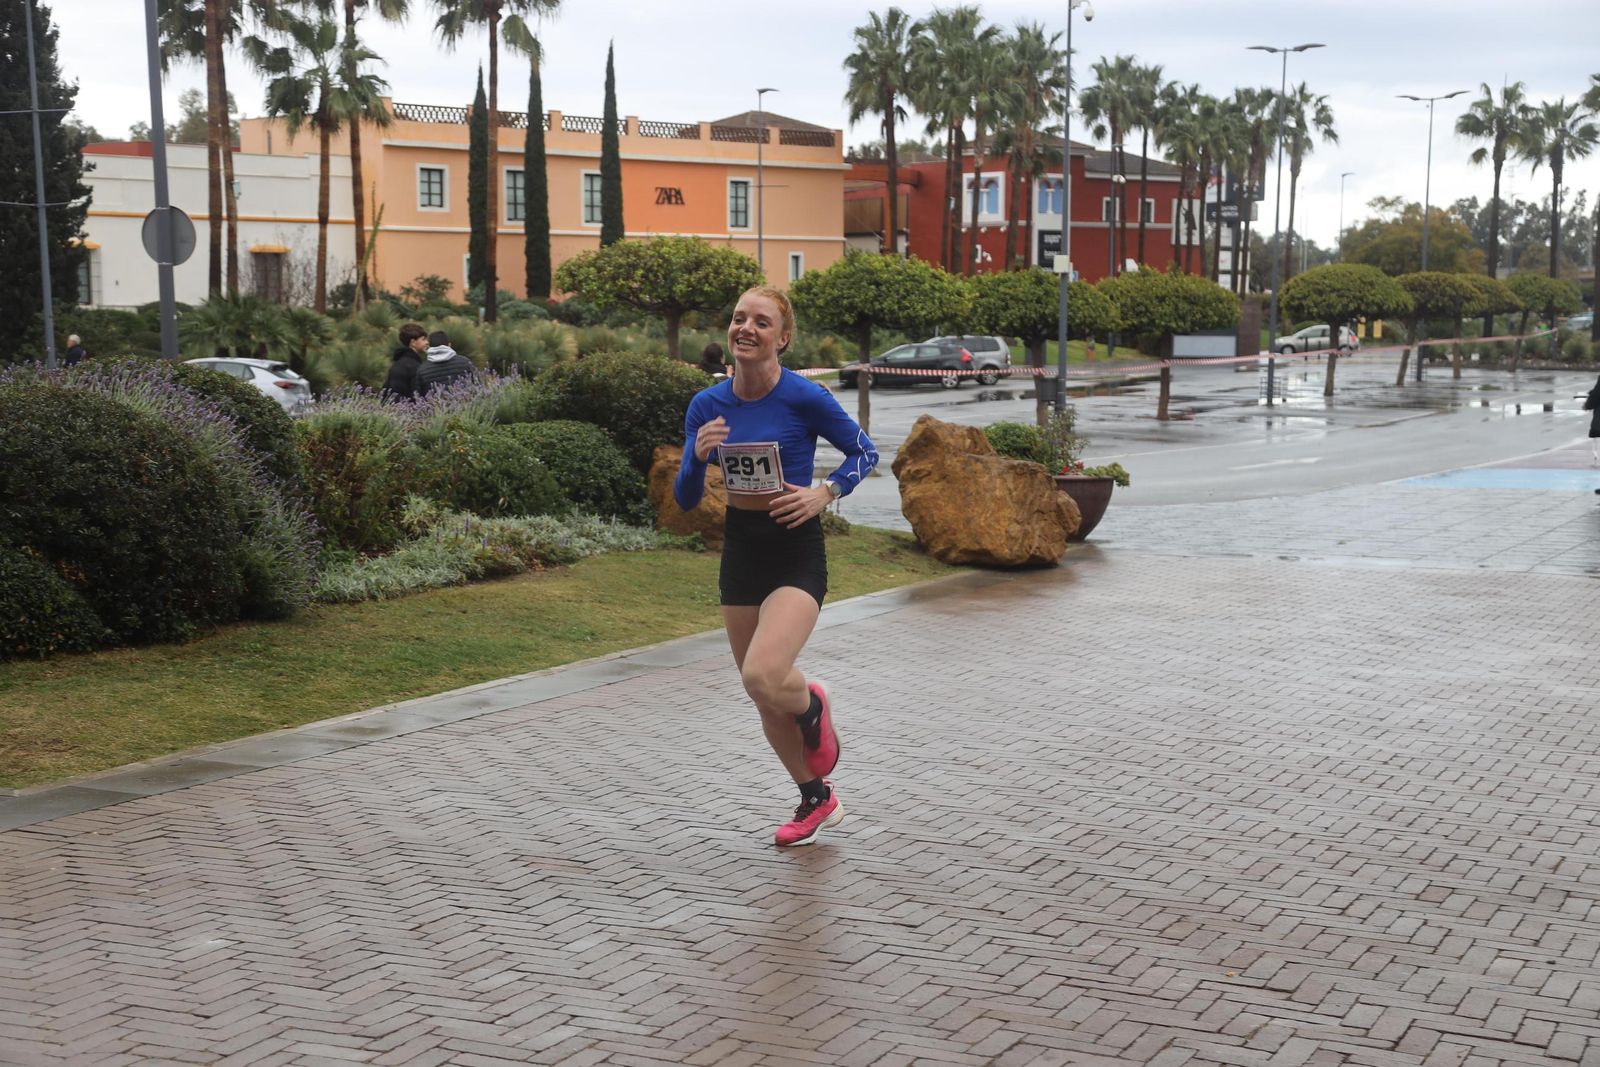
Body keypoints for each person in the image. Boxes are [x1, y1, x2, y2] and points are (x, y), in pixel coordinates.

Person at [673, 286, 879, 847]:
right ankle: (817, 798)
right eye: (738, 318)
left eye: (760, 322)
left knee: (764, 674)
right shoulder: (707, 406)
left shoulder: (805, 398)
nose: (745, 328)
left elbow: (865, 452)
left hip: (794, 545)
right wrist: (695, 457)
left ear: (781, 339)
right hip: (742, 549)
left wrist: (824, 492)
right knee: (762, 692)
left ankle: (813, 701)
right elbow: (688, 499)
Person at [414, 329, 475, 397]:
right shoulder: (465, 362)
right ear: (449, 345)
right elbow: (476, 385)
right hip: (465, 404)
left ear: (430, 347)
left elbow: (420, 396)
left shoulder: (422, 369)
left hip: (436, 406)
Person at [383, 323, 428, 400]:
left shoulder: (397, 363)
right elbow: (416, 394)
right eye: (423, 339)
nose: (427, 342)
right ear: (413, 342)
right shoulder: (413, 366)